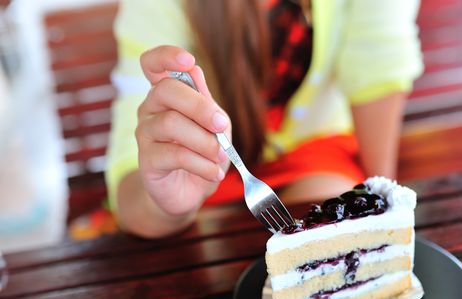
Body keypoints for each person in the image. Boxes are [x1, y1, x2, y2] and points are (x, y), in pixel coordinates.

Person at [106, 0, 423, 238]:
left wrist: (382, 209)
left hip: (319, 156)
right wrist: (169, 206)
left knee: (339, 233)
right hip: (208, 177)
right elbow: (133, 197)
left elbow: (378, 66)